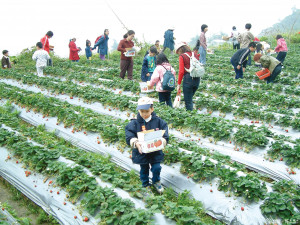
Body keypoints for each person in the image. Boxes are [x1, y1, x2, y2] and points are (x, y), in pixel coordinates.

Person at [125, 97, 169, 193]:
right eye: (142, 111)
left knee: (157, 167)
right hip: (141, 152)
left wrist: (162, 140)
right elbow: (129, 133)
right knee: (144, 169)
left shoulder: (158, 121)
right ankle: (145, 185)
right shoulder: (135, 122)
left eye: (147, 111)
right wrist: (135, 142)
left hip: (155, 151)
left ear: (152, 109)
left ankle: (156, 181)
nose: (144, 114)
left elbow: (165, 133)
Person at [175, 42, 200, 111]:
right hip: (197, 78)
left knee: (188, 102)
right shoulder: (194, 54)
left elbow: (181, 71)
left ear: (180, 49)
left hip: (188, 79)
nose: (178, 53)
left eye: (178, 51)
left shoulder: (182, 56)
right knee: (190, 99)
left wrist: (179, 84)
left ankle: (190, 118)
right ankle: (191, 113)